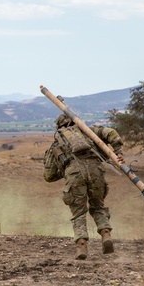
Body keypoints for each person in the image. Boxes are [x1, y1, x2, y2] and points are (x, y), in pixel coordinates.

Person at [43, 104, 125, 260]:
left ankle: (82, 247)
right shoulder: (90, 132)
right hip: (96, 171)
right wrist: (118, 152)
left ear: (60, 127)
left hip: (74, 175)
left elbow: (48, 176)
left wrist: (67, 168)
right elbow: (112, 133)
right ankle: (105, 234)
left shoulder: (57, 144)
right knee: (98, 206)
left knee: (79, 213)